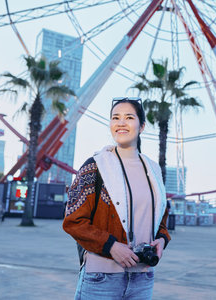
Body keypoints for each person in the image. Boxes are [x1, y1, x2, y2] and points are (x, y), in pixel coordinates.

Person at [63, 97, 171, 300]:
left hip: (143, 277)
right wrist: (111, 245)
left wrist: (162, 240)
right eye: (115, 118)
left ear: (142, 126)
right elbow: (73, 222)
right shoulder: (95, 167)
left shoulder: (154, 171)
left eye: (129, 117)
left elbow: (161, 217)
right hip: (101, 278)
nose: (121, 123)